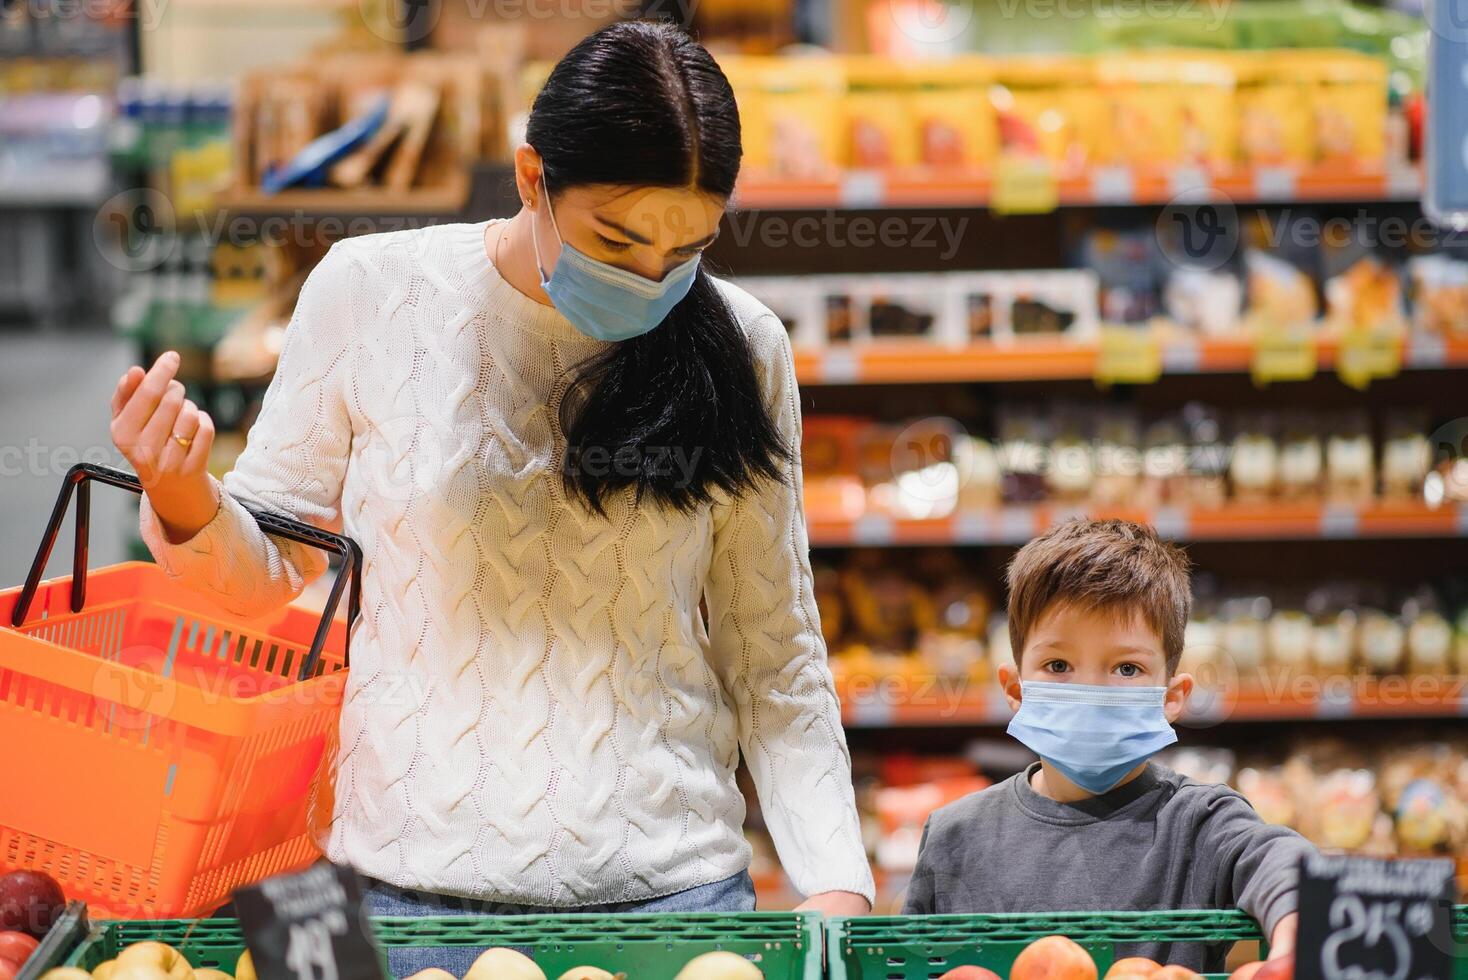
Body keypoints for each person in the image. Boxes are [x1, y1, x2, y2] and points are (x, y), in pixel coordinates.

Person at [107, 20, 872, 976]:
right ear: (529, 177)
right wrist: (184, 498)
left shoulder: (743, 346)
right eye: (616, 238)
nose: (651, 279)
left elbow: (777, 659)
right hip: (399, 894)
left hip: (670, 902)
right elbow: (269, 573)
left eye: (689, 248)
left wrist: (837, 883)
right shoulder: (371, 293)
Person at [904, 519, 1311, 972]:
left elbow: (1282, 863)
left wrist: (1296, 929)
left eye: (1126, 669)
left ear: (1172, 697)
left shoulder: (1200, 825)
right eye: (1059, 664)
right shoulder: (957, 835)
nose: (1092, 690)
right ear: (1016, 690)